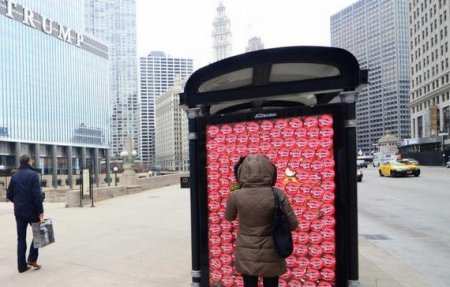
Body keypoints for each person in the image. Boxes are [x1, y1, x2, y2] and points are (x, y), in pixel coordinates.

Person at [225, 155, 299, 287]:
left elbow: (229, 217)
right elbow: (293, 224)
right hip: (272, 251)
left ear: (241, 172)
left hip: (246, 252)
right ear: (270, 171)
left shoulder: (235, 194)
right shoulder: (278, 194)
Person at [7, 154, 44, 273]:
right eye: (32, 160)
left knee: (21, 238)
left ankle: (21, 266)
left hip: (19, 211)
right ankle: (32, 259)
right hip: (32, 211)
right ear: (28, 161)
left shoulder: (15, 176)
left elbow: (9, 195)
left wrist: (18, 202)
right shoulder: (33, 175)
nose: (33, 162)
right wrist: (40, 212)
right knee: (39, 234)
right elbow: (37, 196)